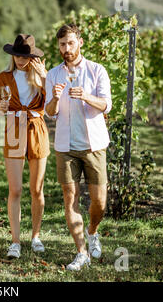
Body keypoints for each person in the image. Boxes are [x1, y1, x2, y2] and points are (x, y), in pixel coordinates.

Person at [45, 23, 112, 271]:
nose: (66, 48)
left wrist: (85, 96)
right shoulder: (53, 75)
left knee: (99, 202)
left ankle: (93, 231)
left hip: (94, 145)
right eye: (62, 44)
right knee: (70, 197)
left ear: (80, 43)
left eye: (71, 43)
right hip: (65, 146)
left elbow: (106, 105)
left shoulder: (97, 71)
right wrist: (53, 98)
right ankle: (81, 252)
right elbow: (49, 113)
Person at [0, 34, 49, 259]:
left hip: (36, 128)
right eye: (17, 55)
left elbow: (55, 105)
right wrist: (2, 108)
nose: (20, 59)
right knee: (15, 189)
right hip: (14, 129)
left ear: (32, 57)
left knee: (36, 189)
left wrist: (45, 79)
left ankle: (35, 236)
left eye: (25, 55)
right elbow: (0, 109)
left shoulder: (42, 77)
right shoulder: (3, 78)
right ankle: (15, 240)